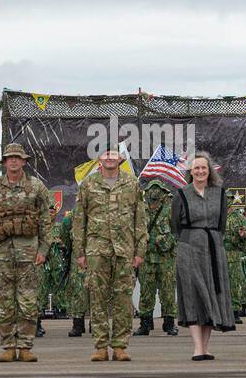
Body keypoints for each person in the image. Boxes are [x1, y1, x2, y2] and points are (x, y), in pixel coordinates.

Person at [0, 143, 57, 362]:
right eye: (9, 158)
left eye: (17, 158)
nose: (13, 161)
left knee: (28, 300)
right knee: (4, 301)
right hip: (1, 252)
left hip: (29, 252)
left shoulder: (36, 187)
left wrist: (43, 249)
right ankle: (7, 346)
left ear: (24, 161)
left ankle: (24, 346)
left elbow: (45, 219)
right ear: (4, 162)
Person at [73, 147, 147, 362]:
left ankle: (120, 346)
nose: (110, 157)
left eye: (114, 154)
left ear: (120, 158)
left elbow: (139, 219)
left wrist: (140, 250)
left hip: (125, 250)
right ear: (100, 158)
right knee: (98, 299)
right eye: (106, 154)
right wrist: (80, 251)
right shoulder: (88, 184)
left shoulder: (132, 183)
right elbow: (80, 220)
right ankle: (100, 346)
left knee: (123, 299)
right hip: (97, 250)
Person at [172, 151, 235, 361]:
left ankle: (206, 347)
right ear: (191, 171)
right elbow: (175, 226)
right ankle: (197, 347)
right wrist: (193, 240)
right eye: (196, 168)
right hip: (189, 248)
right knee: (193, 294)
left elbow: (222, 223)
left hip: (214, 248)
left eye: (203, 168)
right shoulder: (181, 193)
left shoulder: (220, 193)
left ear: (210, 171)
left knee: (211, 294)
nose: (200, 171)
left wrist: (212, 241)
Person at [135, 180, 179, 337]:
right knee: (146, 291)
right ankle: (145, 324)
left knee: (167, 292)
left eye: (158, 189)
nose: (154, 192)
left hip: (165, 258)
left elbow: (178, 231)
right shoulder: (141, 210)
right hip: (146, 257)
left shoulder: (170, 209)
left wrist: (167, 241)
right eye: (151, 189)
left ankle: (169, 324)